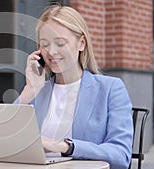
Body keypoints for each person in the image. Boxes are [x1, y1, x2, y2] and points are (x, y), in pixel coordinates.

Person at [14, 5, 133, 169]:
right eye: (45, 44)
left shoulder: (110, 89)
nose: (52, 51)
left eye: (60, 43)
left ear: (81, 43)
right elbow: (6, 141)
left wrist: (65, 146)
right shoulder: (38, 92)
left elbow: (120, 156)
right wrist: (28, 92)